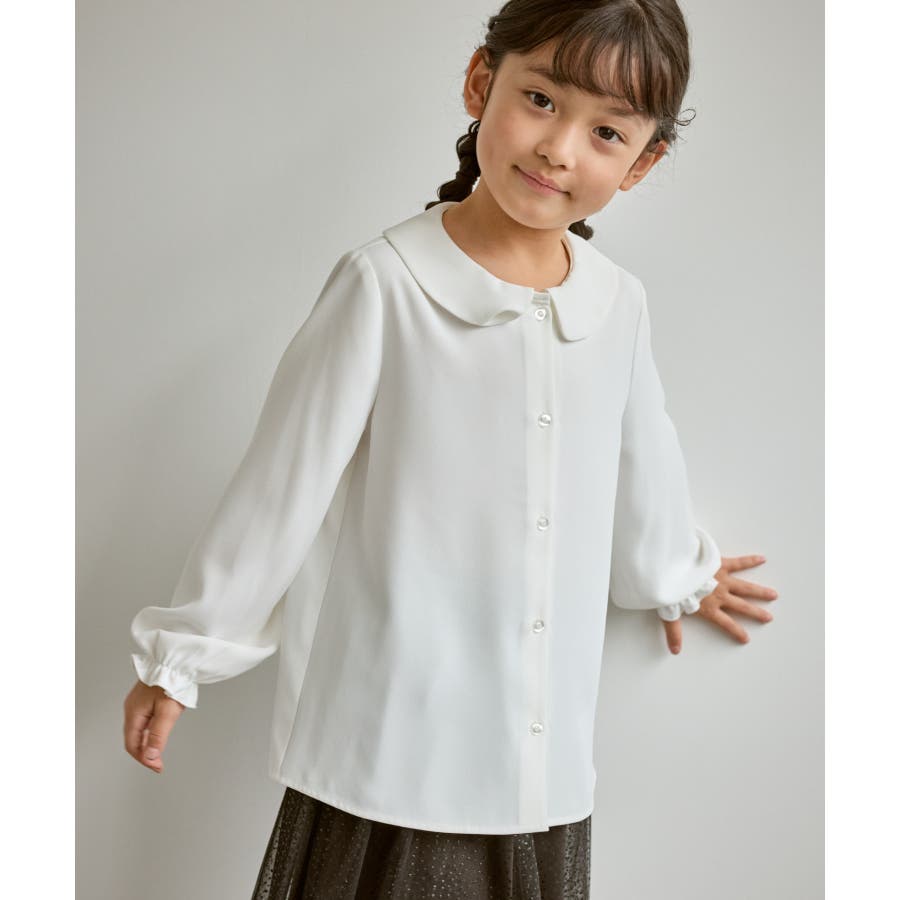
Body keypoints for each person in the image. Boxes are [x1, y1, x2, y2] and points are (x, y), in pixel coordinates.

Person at [122, 1, 779, 896]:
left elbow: (641, 469)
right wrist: (183, 658)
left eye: (606, 131)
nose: (559, 148)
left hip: (539, 761)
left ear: (642, 162)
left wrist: (681, 575)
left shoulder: (618, 306)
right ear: (481, 82)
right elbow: (281, 487)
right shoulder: (385, 285)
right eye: (541, 99)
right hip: (391, 748)